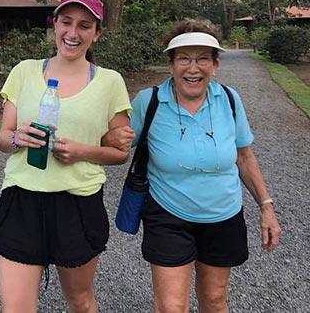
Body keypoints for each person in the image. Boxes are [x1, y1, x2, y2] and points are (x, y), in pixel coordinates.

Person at [103, 19, 281, 313]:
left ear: (215, 65)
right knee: (172, 306)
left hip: (224, 214)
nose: (193, 68)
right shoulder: (150, 102)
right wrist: (111, 136)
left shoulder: (229, 99)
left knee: (214, 300)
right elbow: (114, 145)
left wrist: (266, 206)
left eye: (202, 59)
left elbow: (244, 157)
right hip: (167, 214)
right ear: (170, 65)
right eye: (184, 58)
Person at [0, 0, 131, 313]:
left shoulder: (110, 82)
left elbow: (119, 153)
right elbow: (1, 139)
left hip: (78, 202)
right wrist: (17, 137)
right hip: (22, 197)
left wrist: (83, 151)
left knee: (80, 302)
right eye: (66, 22)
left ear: (97, 33)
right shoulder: (24, 71)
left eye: (84, 26)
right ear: (54, 25)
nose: (73, 33)